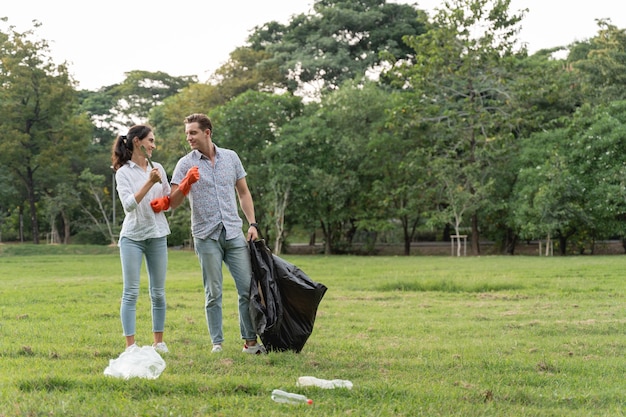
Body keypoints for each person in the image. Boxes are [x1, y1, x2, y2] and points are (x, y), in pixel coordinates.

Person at [151, 113, 264, 354]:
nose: (189, 137)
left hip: (233, 232)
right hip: (205, 236)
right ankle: (218, 344)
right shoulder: (184, 164)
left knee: (246, 289)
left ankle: (250, 343)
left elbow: (243, 193)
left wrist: (252, 224)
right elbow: (173, 202)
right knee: (213, 292)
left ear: (207, 132)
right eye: (187, 134)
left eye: (193, 132)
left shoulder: (231, 158)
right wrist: (185, 184)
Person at [111, 124, 171, 354]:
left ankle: (159, 342)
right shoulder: (123, 172)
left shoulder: (158, 168)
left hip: (157, 234)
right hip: (133, 237)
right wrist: (149, 182)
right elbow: (128, 205)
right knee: (131, 292)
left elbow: (167, 199)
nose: (154, 146)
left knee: (158, 292)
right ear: (138, 142)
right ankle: (131, 346)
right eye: (151, 141)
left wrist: (174, 194)